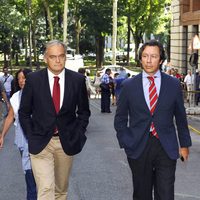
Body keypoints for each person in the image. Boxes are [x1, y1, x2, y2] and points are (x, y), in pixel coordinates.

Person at [114, 40, 192, 200]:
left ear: (161, 60)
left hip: (166, 146)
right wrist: (126, 141)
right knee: (142, 194)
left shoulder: (174, 84)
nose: (149, 60)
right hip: (138, 146)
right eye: (145, 56)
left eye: (154, 56)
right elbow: (120, 119)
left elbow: (181, 117)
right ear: (140, 58)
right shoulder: (129, 86)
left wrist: (184, 144)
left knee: (166, 194)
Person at [19, 40, 91, 200]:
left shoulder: (77, 80)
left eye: (61, 56)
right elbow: (24, 112)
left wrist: (78, 133)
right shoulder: (33, 80)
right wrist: (31, 135)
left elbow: (84, 112)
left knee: (60, 191)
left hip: (66, 142)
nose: (57, 60)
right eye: (53, 57)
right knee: (45, 189)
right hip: (40, 142)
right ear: (45, 58)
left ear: (65, 57)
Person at [0, 69, 37, 200]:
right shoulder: (16, 96)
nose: (21, 81)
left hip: (40, 140)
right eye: (19, 78)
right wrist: (2, 135)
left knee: (41, 175)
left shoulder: (40, 95)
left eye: (24, 78)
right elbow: (10, 117)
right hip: (24, 140)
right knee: (29, 174)